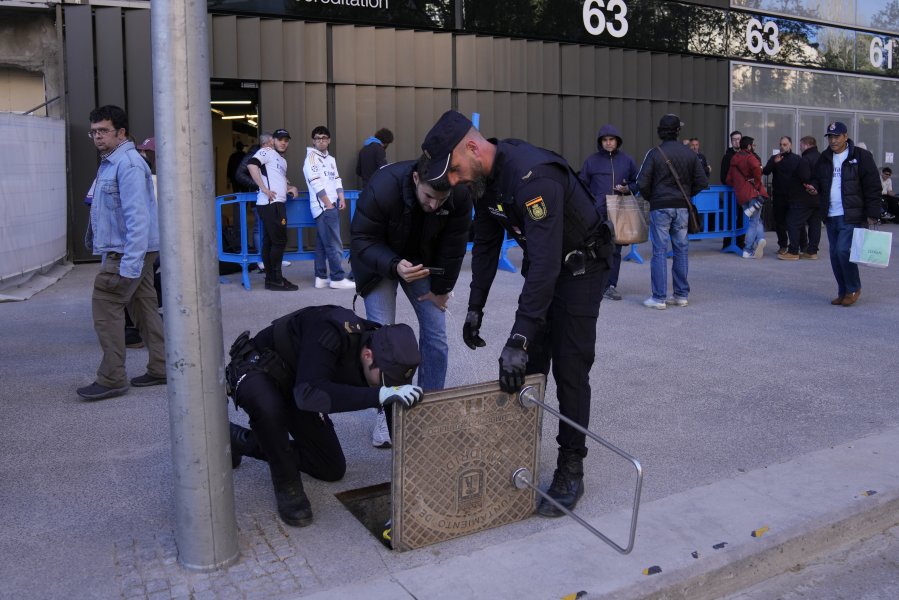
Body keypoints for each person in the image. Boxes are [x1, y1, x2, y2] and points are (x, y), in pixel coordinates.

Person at [421, 110, 614, 517]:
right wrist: (476, 307)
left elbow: (544, 265)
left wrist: (519, 336)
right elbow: (487, 246)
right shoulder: (483, 181)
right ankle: (517, 453)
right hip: (546, 266)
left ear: (472, 148)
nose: (452, 180)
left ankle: (571, 466)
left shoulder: (533, 178)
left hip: (580, 270)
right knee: (527, 369)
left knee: (570, 367)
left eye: (454, 169)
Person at [225, 305, 422, 527]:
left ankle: (238, 440)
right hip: (260, 369)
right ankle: (286, 482)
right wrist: (379, 394)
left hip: (302, 383)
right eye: (386, 380)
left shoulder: (388, 352)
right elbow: (309, 396)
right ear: (368, 355)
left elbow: (389, 401)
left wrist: (411, 471)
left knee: (329, 467)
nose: (388, 385)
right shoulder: (332, 329)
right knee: (268, 408)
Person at [350, 155, 473, 448]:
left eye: (441, 201)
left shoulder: (459, 194)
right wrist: (393, 265)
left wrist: (442, 289)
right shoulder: (382, 186)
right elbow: (361, 238)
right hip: (377, 260)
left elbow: (453, 247)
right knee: (383, 338)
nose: (434, 205)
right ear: (417, 179)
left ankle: (430, 407)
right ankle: (387, 410)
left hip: (420, 262)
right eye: (429, 197)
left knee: (437, 334)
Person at [77, 105, 166, 401]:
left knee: (106, 307)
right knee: (144, 308)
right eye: (94, 131)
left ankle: (112, 377)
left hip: (127, 252)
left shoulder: (126, 164)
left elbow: (137, 218)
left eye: (103, 131)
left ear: (121, 132)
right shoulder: (115, 161)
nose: (97, 137)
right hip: (138, 250)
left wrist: (129, 265)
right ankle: (163, 366)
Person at [806, 122, 881, 307]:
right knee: (834, 254)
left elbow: (872, 185)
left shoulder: (861, 156)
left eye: (836, 136)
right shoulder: (824, 158)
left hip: (852, 213)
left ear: (845, 137)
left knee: (842, 251)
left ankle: (854, 288)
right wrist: (814, 187)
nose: (833, 140)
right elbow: (817, 179)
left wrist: (873, 212)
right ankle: (843, 291)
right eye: (830, 137)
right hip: (831, 213)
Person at [637, 114, 709, 309]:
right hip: (682, 207)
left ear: (660, 131)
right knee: (681, 250)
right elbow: (703, 181)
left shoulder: (654, 153)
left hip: (660, 206)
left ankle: (659, 298)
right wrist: (686, 194)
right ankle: (681, 295)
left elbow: (641, 182)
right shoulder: (690, 154)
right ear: (678, 131)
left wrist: (652, 197)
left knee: (659, 251)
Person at [579, 124, 639, 301]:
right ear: (600, 142)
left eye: (611, 139)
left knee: (615, 251)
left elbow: (637, 182)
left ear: (617, 141)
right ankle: (594, 283)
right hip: (597, 213)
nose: (608, 143)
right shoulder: (591, 161)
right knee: (594, 249)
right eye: (605, 140)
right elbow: (582, 184)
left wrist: (628, 188)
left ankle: (610, 285)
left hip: (619, 213)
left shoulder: (627, 160)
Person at [247, 128, 300, 291]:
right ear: (273, 141)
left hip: (277, 203)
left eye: (286, 140)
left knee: (270, 242)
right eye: (280, 139)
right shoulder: (267, 152)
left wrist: (291, 187)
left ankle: (272, 279)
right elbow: (251, 165)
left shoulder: (282, 161)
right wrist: (263, 188)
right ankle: (275, 280)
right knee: (279, 241)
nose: (283, 142)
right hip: (271, 203)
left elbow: (278, 179)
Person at [303, 126, 355, 290]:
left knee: (322, 244)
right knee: (334, 244)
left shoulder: (330, 159)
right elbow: (315, 183)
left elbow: (337, 179)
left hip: (332, 204)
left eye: (324, 137)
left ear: (329, 140)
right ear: (313, 140)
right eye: (317, 138)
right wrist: (328, 204)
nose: (321, 141)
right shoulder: (311, 158)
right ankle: (337, 278)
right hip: (324, 208)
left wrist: (341, 198)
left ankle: (320, 277)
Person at [726, 136, 769, 259]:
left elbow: (729, 179)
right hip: (752, 193)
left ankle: (760, 239)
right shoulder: (750, 157)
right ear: (749, 146)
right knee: (753, 222)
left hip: (741, 195)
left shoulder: (734, 158)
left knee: (756, 220)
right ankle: (748, 249)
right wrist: (756, 181)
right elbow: (756, 168)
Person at [763, 137, 804, 255]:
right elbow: (765, 171)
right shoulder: (774, 158)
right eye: (781, 144)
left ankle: (798, 245)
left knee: (795, 222)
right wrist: (773, 163)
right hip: (779, 196)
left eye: (785, 144)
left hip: (793, 196)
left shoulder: (797, 159)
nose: (782, 146)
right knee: (779, 222)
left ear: (790, 145)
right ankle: (782, 245)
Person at [788, 136, 823, 260]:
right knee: (815, 224)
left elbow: (805, 177)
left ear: (807, 145)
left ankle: (793, 251)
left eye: (801, 145)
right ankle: (812, 251)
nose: (800, 148)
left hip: (803, 198)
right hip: (818, 199)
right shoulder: (822, 158)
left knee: (793, 223)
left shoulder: (805, 159)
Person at [720, 130, 745, 249]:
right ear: (731, 141)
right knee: (730, 217)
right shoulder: (727, 157)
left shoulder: (746, 154)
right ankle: (727, 242)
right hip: (731, 192)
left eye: (739, 139)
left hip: (743, 193)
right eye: (734, 139)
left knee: (742, 217)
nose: (737, 141)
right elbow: (723, 177)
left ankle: (740, 242)